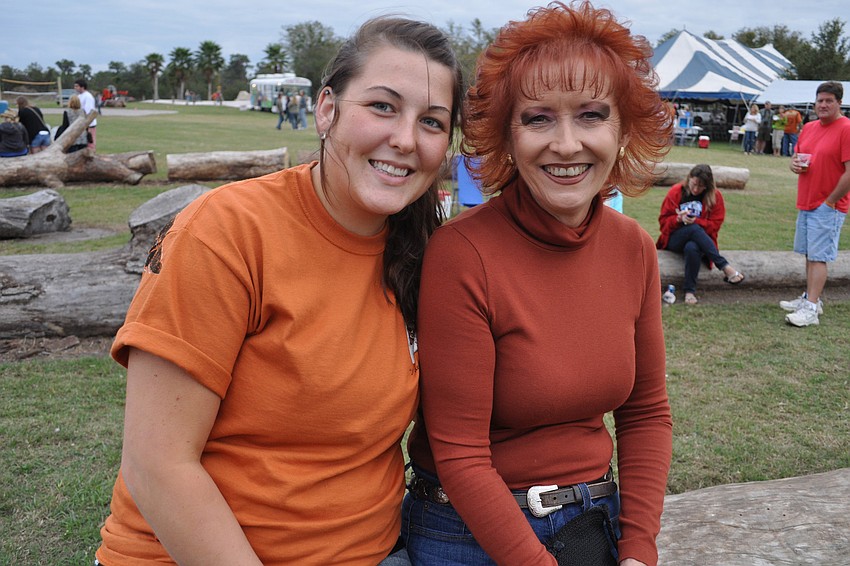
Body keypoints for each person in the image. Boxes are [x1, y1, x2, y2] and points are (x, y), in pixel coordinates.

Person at [95, 15, 463, 566]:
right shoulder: (228, 231)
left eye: (431, 121)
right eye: (382, 106)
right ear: (326, 109)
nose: (406, 139)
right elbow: (158, 466)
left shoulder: (425, 249)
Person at [403, 3, 673, 566]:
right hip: (470, 532)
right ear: (506, 136)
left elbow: (646, 413)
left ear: (624, 129)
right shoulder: (463, 253)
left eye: (591, 115)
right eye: (538, 119)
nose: (567, 145)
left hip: (595, 523)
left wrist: (638, 549)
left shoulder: (633, 248)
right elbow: (460, 453)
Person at [782, 81, 850, 327]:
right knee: (810, 254)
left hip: (828, 205)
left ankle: (810, 309)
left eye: (829, 101)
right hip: (807, 201)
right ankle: (811, 298)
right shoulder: (809, 127)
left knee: (819, 257)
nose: (823, 105)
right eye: (820, 100)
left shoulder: (846, 129)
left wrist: (831, 201)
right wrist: (794, 164)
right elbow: (797, 157)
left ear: (839, 103)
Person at [656, 164, 746, 305]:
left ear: (708, 186)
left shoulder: (715, 197)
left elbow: (715, 225)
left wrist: (696, 221)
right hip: (674, 239)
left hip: (701, 242)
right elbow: (663, 222)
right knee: (693, 229)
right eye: (694, 184)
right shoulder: (676, 192)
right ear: (689, 179)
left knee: (692, 247)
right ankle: (724, 266)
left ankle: (689, 291)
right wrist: (678, 219)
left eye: (701, 186)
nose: (696, 189)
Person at [73, 78, 97, 150]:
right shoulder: (79, 96)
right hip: (82, 123)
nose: (75, 88)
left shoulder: (88, 96)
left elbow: (88, 111)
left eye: (77, 86)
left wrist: (86, 123)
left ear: (82, 87)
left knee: (90, 142)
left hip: (89, 124)